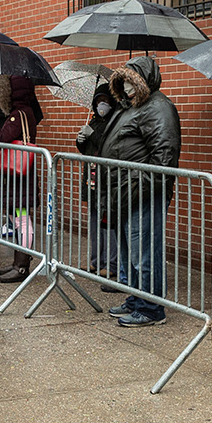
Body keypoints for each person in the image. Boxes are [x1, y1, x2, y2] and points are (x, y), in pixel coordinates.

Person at [101, 56, 180, 328]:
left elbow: (164, 156)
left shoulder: (158, 107)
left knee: (145, 251)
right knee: (130, 252)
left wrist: (139, 186)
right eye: (123, 84)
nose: (127, 89)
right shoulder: (131, 107)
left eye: (131, 83)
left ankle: (151, 307)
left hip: (142, 192)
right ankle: (136, 299)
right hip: (126, 190)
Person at [0, 75, 44, 283]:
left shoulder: (20, 114)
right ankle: (18, 262)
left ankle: (22, 266)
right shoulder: (25, 112)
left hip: (20, 177)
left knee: (22, 218)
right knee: (16, 217)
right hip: (18, 176)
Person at [77, 83, 118, 282]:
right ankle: (95, 260)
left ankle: (110, 263)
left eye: (106, 101)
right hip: (92, 179)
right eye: (99, 101)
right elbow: (86, 150)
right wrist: (80, 140)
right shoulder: (93, 121)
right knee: (94, 220)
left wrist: (93, 135)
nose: (102, 105)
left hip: (107, 180)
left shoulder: (115, 122)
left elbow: (110, 146)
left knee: (107, 222)